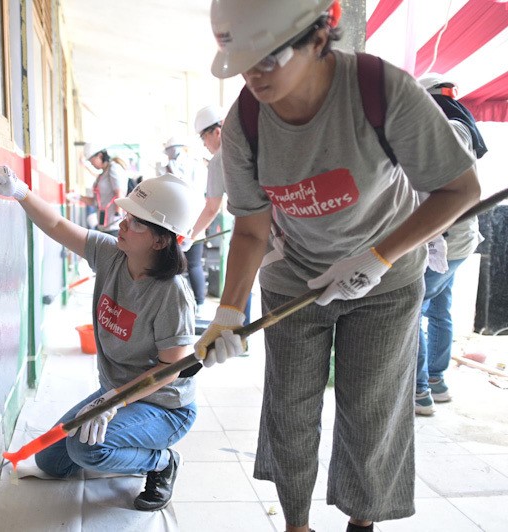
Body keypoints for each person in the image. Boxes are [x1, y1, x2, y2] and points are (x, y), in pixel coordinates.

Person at [194, 2, 480, 532]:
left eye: (270, 57)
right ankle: (296, 525)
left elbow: (460, 189)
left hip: (386, 279)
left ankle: (362, 524)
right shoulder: (245, 122)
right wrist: (229, 311)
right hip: (293, 278)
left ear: (319, 36)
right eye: (242, 61)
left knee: (371, 413)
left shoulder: (380, 91)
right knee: (290, 411)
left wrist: (378, 256)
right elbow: (253, 228)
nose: (255, 75)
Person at [0, 167, 200, 511]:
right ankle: (123, 446)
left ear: (161, 239)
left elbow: (171, 369)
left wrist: (115, 403)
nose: (123, 224)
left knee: (86, 449)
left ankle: (161, 461)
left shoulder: (172, 294)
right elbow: (56, 226)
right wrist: (19, 191)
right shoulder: (113, 254)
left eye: (137, 222)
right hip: (115, 390)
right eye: (126, 216)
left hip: (163, 406)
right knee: (52, 461)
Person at [414, 74, 488, 416]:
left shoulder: (443, 127)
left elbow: (433, 189)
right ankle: (438, 382)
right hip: (459, 239)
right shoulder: (462, 122)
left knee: (411, 312)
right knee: (440, 309)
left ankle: (420, 390)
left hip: (440, 240)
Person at [191, 105, 252, 324]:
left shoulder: (219, 160)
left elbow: (211, 209)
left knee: (240, 280)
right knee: (250, 281)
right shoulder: (251, 146)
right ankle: (243, 333)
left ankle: (239, 334)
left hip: (248, 231)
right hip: (277, 228)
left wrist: (190, 236)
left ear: (216, 132)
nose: (205, 145)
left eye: (203, 138)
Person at [163, 136, 208, 315]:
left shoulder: (175, 166)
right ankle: (196, 304)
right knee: (192, 265)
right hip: (194, 221)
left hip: (183, 222)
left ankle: (192, 304)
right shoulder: (197, 165)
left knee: (184, 266)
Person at [81, 143, 127, 237]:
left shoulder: (114, 168)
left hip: (114, 227)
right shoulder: (102, 174)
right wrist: (78, 197)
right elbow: (95, 201)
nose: (91, 164)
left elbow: (119, 193)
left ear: (100, 155)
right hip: (103, 226)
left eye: (91, 160)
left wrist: (117, 214)